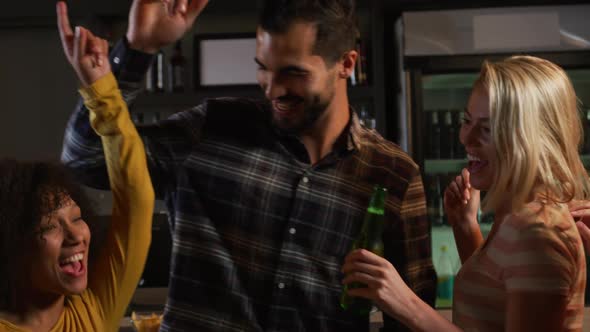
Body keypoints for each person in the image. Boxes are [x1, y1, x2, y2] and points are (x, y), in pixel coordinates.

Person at [60, 0, 437, 330]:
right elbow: (85, 160)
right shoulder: (211, 129)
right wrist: (138, 50)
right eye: (263, 68)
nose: (271, 89)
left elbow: (412, 316)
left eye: (293, 73)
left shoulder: (393, 175)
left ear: (346, 64)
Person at [342, 55, 589, 331]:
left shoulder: (538, 230)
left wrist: (407, 304)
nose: (465, 138)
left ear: (530, 138)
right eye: (466, 120)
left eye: (485, 129)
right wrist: (464, 226)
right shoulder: (516, 218)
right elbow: (492, 303)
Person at [0, 3, 155, 331]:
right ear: (12, 244)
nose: (76, 237)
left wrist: (102, 91)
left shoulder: (95, 309)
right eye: (49, 226)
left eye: (77, 218)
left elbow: (136, 198)